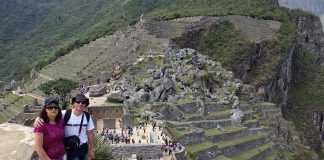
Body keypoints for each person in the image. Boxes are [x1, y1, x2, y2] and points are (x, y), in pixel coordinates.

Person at [35, 93, 95, 160]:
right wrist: (38, 118)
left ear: (85, 104)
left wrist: (92, 149)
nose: (80, 104)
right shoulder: (65, 114)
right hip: (71, 148)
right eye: (78, 101)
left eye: (83, 102)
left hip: (83, 148)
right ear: (74, 103)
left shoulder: (87, 116)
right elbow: (51, 114)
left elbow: (90, 132)